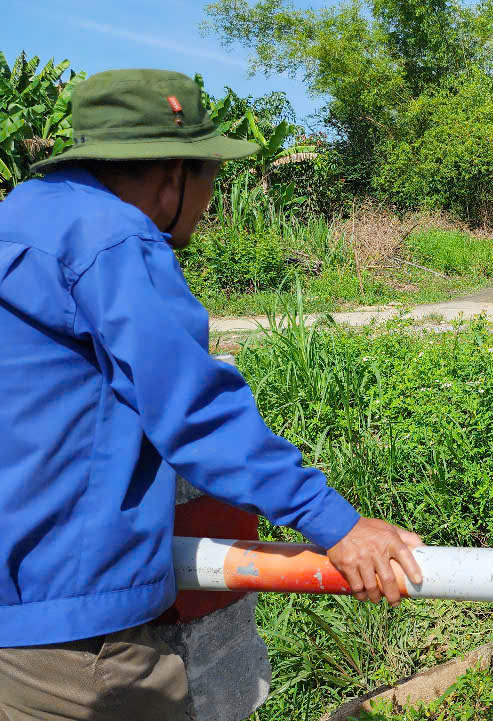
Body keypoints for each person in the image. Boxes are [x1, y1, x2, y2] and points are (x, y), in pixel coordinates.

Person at [0, 69, 423, 720]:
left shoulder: (21, 214)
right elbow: (196, 411)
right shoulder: (112, 238)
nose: (210, 200)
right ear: (173, 174)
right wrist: (335, 521)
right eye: (213, 177)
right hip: (75, 635)